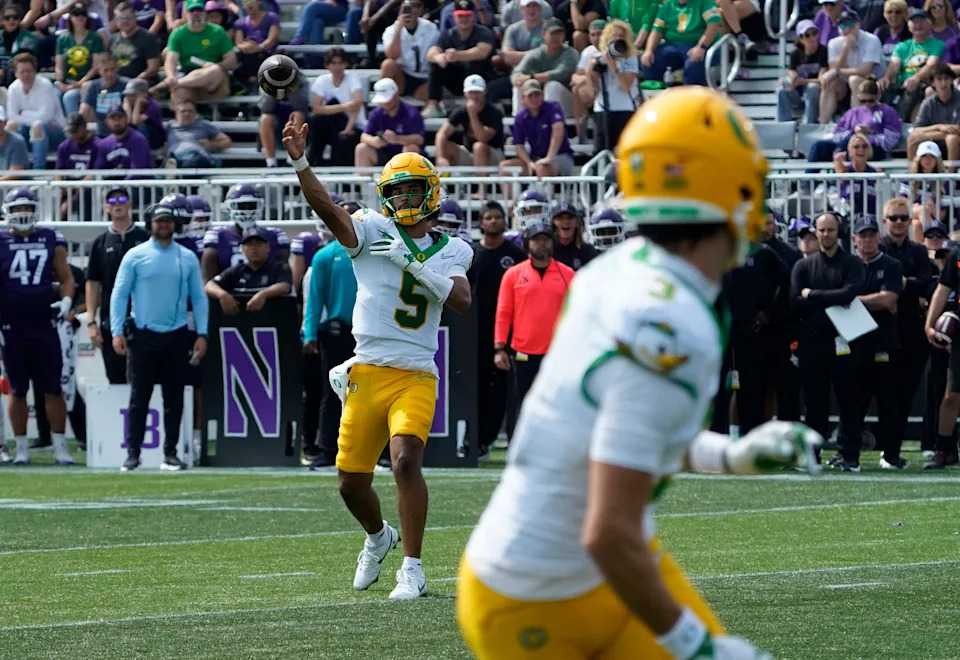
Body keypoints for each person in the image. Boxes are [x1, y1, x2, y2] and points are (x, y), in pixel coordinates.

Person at [458, 87, 819, 660]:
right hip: (539, 595)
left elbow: (612, 436)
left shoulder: (622, 271)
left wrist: (726, 455)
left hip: (574, 564)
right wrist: (694, 648)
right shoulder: (667, 319)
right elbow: (606, 531)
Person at [283, 115, 473, 599]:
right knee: (349, 484)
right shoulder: (370, 229)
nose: (405, 201)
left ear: (430, 194)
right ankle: (377, 537)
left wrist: (412, 263)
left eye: (413, 191)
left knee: (406, 460)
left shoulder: (453, 249)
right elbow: (327, 209)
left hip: (414, 372)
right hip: (366, 369)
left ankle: (413, 566)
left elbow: (461, 301)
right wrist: (301, 162)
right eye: (398, 192)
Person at [110, 194, 208, 472]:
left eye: (168, 221)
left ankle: (171, 453)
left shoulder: (186, 257)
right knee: (139, 398)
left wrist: (202, 333)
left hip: (176, 335)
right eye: (159, 221)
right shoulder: (135, 255)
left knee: (174, 399)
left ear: (175, 224)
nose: (164, 225)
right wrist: (116, 330)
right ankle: (133, 454)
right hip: (143, 336)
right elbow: (119, 295)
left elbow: (199, 298)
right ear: (151, 224)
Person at [0, 189, 75, 466]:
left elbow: (66, 276)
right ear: (8, 211)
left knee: (53, 387)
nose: (22, 214)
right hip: (11, 325)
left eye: (27, 208)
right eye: (17, 208)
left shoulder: (49, 236)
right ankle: (21, 448)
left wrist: (67, 300)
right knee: (18, 389)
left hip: (45, 322)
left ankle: (59, 446)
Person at [791, 211, 866, 470]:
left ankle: (850, 455)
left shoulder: (852, 263)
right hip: (812, 341)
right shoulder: (803, 266)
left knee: (848, 400)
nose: (825, 235)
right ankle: (812, 454)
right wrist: (832, 298)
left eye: (830, 230)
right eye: (821, 230)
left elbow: (850, 292)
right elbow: (795, 301)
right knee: (814, 403)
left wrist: (812, 294)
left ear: (839, 232)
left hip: (844, 340)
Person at [494, 222, 574, 418]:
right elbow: (504, 312)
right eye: (536, 240)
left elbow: (575, 313)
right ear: (527, 244)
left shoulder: (568, 274)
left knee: (559, 407)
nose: (542, 244)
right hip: (523, 353)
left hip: (558, 353)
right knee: (521, 408)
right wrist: (499, 348)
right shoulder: (513, 274)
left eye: (546, 239)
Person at [468, 200, 527, 458]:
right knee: (475, 387)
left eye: (497, 217)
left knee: (501, 391)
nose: (493, 222)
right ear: (480, 223)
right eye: (488, 217)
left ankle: (489, 439)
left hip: (506, 334)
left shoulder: (515, 255)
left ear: (505, 221)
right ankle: (475, 440)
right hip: (474, 333)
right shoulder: (470, 255)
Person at [878, 197, 935, 461]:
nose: (899, 223)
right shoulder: (876, 247)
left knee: (905, 393)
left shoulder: (919, 251)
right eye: (894, 218)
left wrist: (899, 283)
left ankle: (893, 451)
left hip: (911, 330)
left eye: (904, 218)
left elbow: (926, 284)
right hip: (879, 330)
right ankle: (877, 446)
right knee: (879, 392)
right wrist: (905, 284)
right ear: (884, 221)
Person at [849, 217, 906, 468]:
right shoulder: (847, 265)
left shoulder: (892, 265)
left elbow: (887, 299)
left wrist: (852, 299)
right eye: (863, 235)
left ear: (879, 237)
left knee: (888, 402)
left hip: (883, 342)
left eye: (872, 234)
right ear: (854, 239)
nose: (867, 240)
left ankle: (890, 454)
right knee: (852, 402)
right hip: (852, 342)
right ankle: (848, 453)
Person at [302, 231, 358, 468]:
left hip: (372, 329)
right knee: (333, 391)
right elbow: (314, 298)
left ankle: (381, 452)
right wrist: (310, 332)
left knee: (377, 391)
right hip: (337, 330)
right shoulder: (325, 256)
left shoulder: (378, 251)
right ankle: (327, 449)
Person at [86, 186, 148, 386]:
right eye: (112, 201)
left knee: (147, 379)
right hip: (111, 322)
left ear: (130, 204)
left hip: (145, 321)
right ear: (106, 208)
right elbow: (93, 283)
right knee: (116, 380)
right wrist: (91, 322)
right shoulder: (100, 242)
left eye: (122, 199)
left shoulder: (146, 238)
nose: (117, 204)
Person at [422, 0, 495, 119]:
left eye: (467, 16)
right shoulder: (449, 34)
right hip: (457, 80)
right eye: (460, 16)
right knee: (436, 64)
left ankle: (475, 103)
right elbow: (431, 53)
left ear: (474, 16)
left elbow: (482, 51)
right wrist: (439, 57)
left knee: (478, 62)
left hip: (480, 80)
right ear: (454, 17)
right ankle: (433, 104)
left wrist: (458, 55)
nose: (464, 19)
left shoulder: (483, 32)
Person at [201, 183, 289, 279]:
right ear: (230, 207)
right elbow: (208, 281)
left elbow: (284, 277)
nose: (247, 211)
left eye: (251, 206)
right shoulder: (217, 236)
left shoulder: (275, 236)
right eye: (241, 206)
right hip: (227, 292)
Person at [155, 0, 237, 103]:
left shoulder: (218, 31)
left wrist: (216, 65)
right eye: (192, 11)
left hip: (214, 82)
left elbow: (231, 60)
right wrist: (171, 76)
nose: (196, 14)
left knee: (215, 70)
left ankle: (175, 83)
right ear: (186, 14)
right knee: (179, 92)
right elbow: (171, 59)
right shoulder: (178, 34)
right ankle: (178, 88)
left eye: (199, 10)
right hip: (188, 76)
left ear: (204, 13)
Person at [498, 79, 576, 178]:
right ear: (523, 98)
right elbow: (519, 145)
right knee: (504, 167)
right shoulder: (520, 117)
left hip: (560, 156)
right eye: (530, 96)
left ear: (542, 96)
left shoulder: (553, 107)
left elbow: (558, 131)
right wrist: (529, 163)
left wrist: (548, 157)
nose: (534, 99)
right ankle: (512, 194)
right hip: (536, 158)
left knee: (542, 167)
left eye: (537, 95)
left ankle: (543, 193)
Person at [878, 8, 945, 120]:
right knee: (879, 85)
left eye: (922, 21)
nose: (918, 25)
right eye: (914, 22)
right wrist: (886, 77)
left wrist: (916, 77)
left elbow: (931, 65)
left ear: (930, 25)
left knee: (915, 89)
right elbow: (894, 65)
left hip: (924, 84)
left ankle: (899, 121)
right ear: (909, 27)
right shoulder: (902, 46)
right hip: (902, 87)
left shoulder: (938, 44)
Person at [204, 227, 292, 312]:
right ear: (242, 250)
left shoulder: (279, 268)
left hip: (272, 320)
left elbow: (284, 286)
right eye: (250, 244)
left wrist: (263, 295)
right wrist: (222, 295)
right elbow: (209, 285)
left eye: (258, 243)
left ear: (268, 247)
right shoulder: (237, 271)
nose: (254, 248)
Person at [584, 20, 640, 152]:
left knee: (623, 150)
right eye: (614, 35)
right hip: (602, 108)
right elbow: (592, 94)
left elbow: (627, 86)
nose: (617, 39)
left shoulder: (630, 57)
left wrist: (614, 67)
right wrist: (589, 72)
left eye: (621, 36)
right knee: (602, 151)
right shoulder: (597, 56)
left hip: (625, 108)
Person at [820, 10, 885, 122]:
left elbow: (865, 70)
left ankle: (856, 124)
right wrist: (845, 48)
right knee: (830, 83)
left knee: (854, 80)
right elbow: (834, 69)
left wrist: (837, 72)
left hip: (874, 83)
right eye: (842, 25)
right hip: (845, 85)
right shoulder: (833, 43)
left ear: (858, 24)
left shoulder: (872, 40)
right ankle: (822, 125)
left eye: (850, 24)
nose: (847, 28)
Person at [641, 0, 723, 86]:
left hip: (701, 45)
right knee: (651, 60)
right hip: (672, 45)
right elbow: (656, 31)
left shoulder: (706, 2)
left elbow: (713, 26)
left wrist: (700, 47)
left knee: (694, 62)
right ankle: (655, 92)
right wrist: (648, 51)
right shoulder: (667, 5)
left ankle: (692, 95)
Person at [6, 52, 66, 170]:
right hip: (28, 132)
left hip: (55, 133)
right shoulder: (13, 88)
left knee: (38, 125)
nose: (26, 75)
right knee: (10, 126)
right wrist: (28, 117)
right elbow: (11, 116)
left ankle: (38, 171)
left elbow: (46, 116)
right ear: (16, 73)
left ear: (35, 71)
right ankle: (16, 168)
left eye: (29, 71)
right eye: (22, 72)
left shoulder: (45, 85)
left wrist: (23, 113)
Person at [509, 18, 579, 117]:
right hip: (540, 101)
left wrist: (531, 77)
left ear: (564, 35)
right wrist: (519, 80)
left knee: (552, 85)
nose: (555, 37)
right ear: (544, 35)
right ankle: (520, 120)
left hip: (567, 103)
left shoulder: (570, 53)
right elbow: (516, 73)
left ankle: (551, 121)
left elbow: (561, 74)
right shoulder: (537, 53)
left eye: (559, 33)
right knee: (522, 85)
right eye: (552, 33)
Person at [307, 48, 364, 167]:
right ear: (327, 65)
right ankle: (314, 160)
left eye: (340, 63)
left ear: (346, 64)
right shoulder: (322, 80)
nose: (337, 67)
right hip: (333, 125)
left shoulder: (352, 77)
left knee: (343, 140)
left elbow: (357, 103)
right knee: (317, 120)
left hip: (353, 125)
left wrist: (348, 129)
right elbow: (316, 108)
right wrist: (343, 107)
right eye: (333, 63)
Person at [433, 74, 504, 169]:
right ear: (465, 94)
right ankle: (444, 181)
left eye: (478, 92)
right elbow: (442, 133)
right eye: (471, 92)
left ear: (484, 92)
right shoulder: (460, 111)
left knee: (479, 147)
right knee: (446, 146)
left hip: (493, 155)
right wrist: (440, 157)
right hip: (469, 152)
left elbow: (482, 138)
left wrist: (473, 114)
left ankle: (481, 184)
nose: (474, 96)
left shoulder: (494, 112)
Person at [356, 78, 425, 167]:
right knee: (362, 148)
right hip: (383, 155)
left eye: (388, 98)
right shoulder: (376, 113)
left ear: (396, 94)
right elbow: (364, 136)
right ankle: (362, 181)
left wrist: (397, 139)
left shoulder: (411, 112)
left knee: (411, 149)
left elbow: (419, 139)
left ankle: (408, 179)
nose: (386, 103)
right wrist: (374, 141)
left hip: (403, 155)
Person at [55, 2, 106, 116]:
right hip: (66, 81)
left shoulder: (95, 38)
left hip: (87, 82)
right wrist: (62, 81)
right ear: (70, 17)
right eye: (76, 14)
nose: (79, 17)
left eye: (83, 14)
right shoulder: (63, 39)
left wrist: (80, 83)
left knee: (70, 96)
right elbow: (58, 66)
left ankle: (74, 128)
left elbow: (96, 66)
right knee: (54, 94)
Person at [380, 0, 437, 101]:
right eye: (409, 6)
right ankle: (384, 100)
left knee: (428, 90)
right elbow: (392, 55)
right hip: (403, 74)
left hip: (424, 76)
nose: (413, 10)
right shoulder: (392, 30)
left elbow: (438, 50)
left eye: (417, 6)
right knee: (388, 64)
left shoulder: (431, 28)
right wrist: (399, 29)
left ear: (421, 9)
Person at [908, 62, 960, 163]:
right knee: (912, 139)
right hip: (934, 144)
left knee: (951, 139)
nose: (943, 83)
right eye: (939, 79)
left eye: (946, 78)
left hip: (956, 143)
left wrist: (937, 133)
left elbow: (956, 131)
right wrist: (939, 127)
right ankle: (913, 176)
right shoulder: (928, 103)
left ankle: (950, 177)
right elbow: (916, 130)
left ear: (951, 80)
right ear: (932, 83)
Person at [53, 112, 100, 220]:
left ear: (84, 127)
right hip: (69, 187)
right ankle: (55, 229)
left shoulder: (97, 145)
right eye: (70, 132)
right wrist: (60, 185)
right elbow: (58, 171)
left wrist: (75, 187)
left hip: (87, 188)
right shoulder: (64, 146)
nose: (73, 135)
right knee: (54, 193)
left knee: (82, 195)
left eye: (75, 131)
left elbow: (95, 173)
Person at [165, 99, 232, 168]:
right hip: (175, 157)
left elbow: (227, 141)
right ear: (176, 113)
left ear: (195, 113)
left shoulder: (203, 125)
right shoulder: (169, 127)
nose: (186, 114)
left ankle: (176, 171)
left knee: (192, 162)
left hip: (197, 157)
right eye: (183, 111)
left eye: (190, 111)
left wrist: (210, 144)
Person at [92, 104, 154, 174]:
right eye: (113, 119)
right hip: (112, 183)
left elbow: (137, 172)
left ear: (126, 119)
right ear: (107, 122)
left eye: (120, 118)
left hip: (137, 183)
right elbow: (98, 171)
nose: (117, 122)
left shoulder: (138, 140)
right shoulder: (104, 145)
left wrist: (118, 185)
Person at [110, 1, 163, 82]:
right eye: (120, 18)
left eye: (128, 17)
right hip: (117, 83)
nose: (124, 21)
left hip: (141, 83)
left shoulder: (148, 38)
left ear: (135, 17)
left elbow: (153, 68)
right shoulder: (113, 39)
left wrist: (134, 82)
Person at [79, 53, 128, 137]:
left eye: (112, 69)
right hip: (101, 131)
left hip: (121, 130)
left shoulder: (126, 84)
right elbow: (84, 109)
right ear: (99, 70)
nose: (109, 73)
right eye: (106, 70)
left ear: (117, 68)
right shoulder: (94, 86)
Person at [232, 0, 279, 85]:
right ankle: (253, 82)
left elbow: (272, 39)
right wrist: (247, 47)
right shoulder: (240, 22)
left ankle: (254, 82)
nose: (249, 3)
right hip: (247, 55)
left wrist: (258, 47)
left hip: (266, 54)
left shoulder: (272, 17)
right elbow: (239, 43)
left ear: (259, 2)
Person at [498, 0, 547, 74]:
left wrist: (516, 55)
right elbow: (507, 58)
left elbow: (547, 55)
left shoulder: (549, 28)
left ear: (540, 8)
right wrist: (536, 54)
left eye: (535, 5)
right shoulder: (512, 29)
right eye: (528, 6)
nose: (532, 9)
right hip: (518, 74)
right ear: (522, 9)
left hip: (543, 72)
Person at [551, 202, 598, 270]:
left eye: (570, 218)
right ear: (553, 223)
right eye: (560, 218)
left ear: (577, 223)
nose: (566, 222)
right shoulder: (548, 252)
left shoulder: (587, 251)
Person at [0, 4, 38, 89]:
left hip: (19, 76)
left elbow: (25, 61)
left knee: (12, 73)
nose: (11, 20)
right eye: (7, 18)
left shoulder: (28, 37)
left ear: (20, 19)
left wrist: (4, 71)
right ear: (2, 21)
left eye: (15, 17)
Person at [123, 77, 165, 150]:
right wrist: (127, 109)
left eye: (133, 94)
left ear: (145, 94)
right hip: (136, 138)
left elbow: (136, 121)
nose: (130, 97)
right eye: (128, 94)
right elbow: (128, 121)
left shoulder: (153, 105)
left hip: (154, 139)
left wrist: (138, 103)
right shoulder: (128, 104)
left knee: (142, 125)